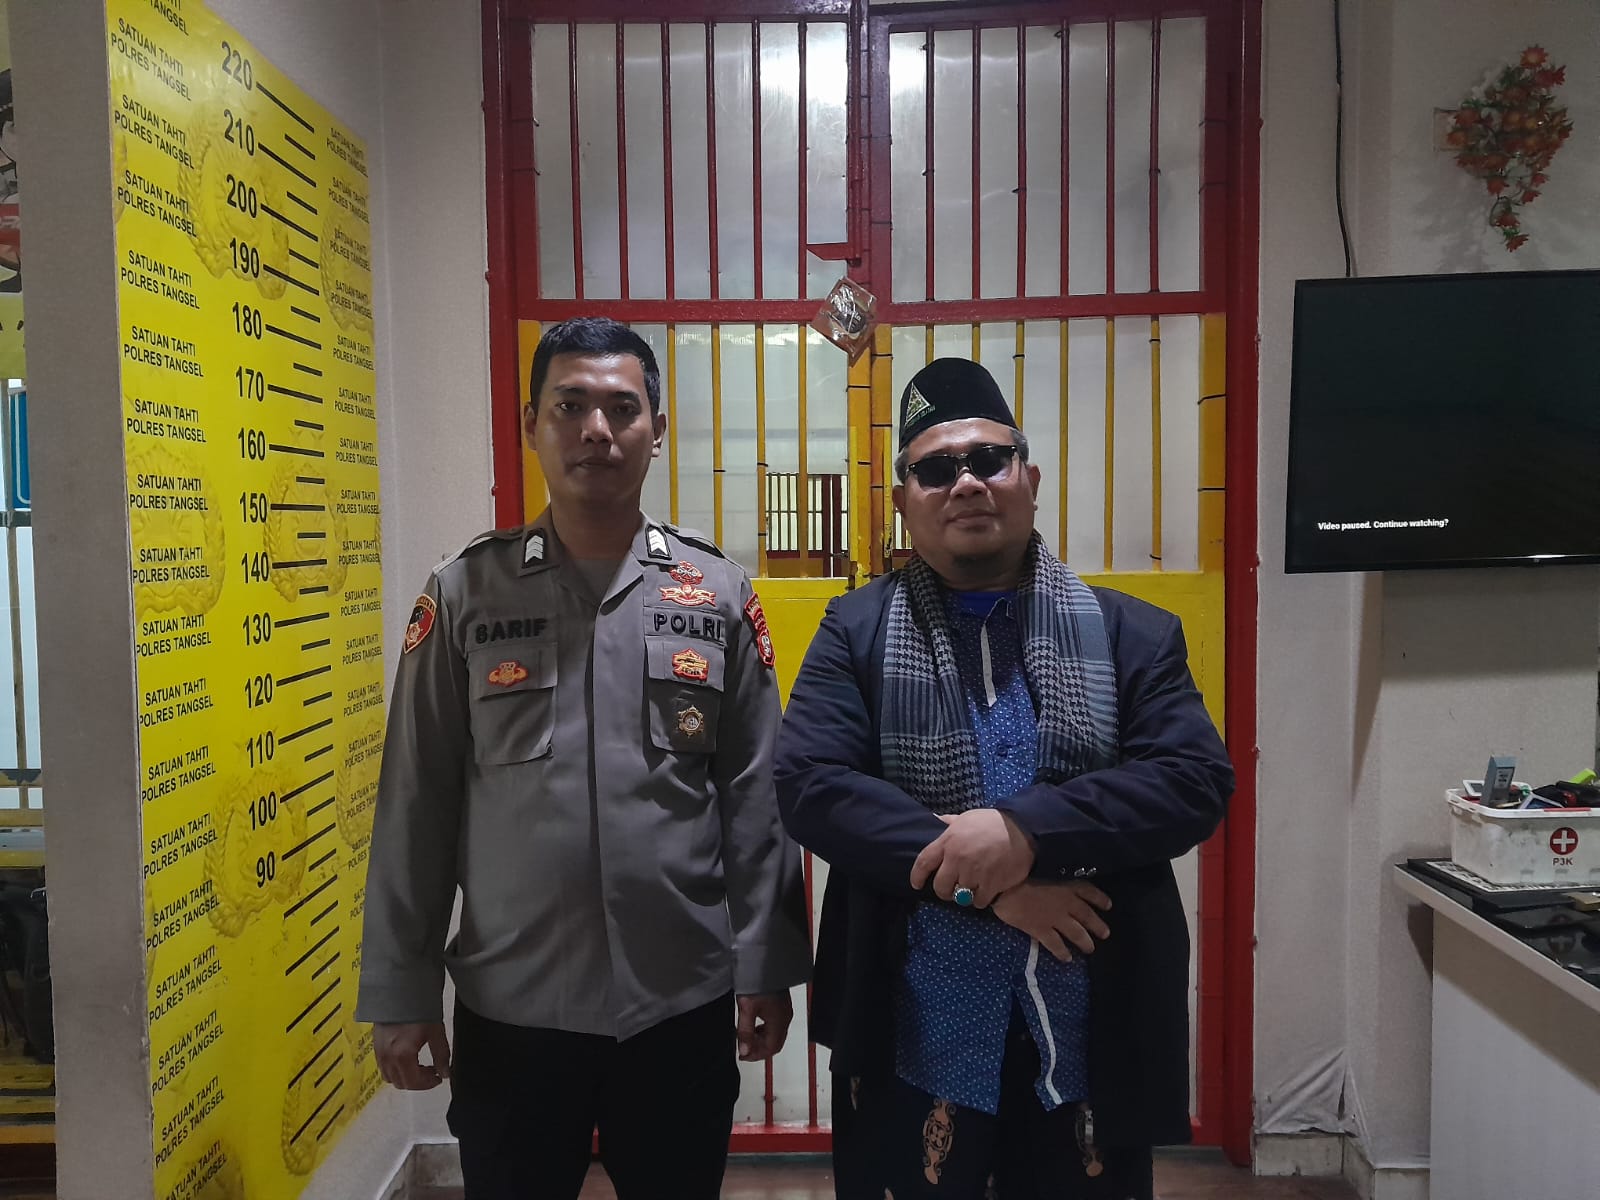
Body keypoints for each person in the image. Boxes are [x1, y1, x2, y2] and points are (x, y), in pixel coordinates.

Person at [357, 317, 811, 1200]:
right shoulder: (464, 595)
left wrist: (766, 968)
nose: (596, 430)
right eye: (570, 406)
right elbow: (417, 802)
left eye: (621, 409)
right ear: (532, 423)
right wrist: (403, 990)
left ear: (657, 429)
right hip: (514, 1010)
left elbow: (756, 796)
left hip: (680, 1004)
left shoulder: (716, 593)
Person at [774, 358, 1234, 1200]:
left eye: (990, 459)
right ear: (905, 500)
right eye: (937, 469)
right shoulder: (856, 632)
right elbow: (811, 784)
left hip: (1091, 1033)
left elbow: (1192, 779)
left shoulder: (1131, 634)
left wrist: (1023, 834)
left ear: (1031, 479)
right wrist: (988, 883)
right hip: (911, 1029)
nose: (967, 483)